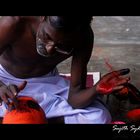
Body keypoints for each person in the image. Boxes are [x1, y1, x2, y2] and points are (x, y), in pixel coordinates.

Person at [0, 16, 130, 124]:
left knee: (99, 117)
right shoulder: (14, 23)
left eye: (62, 46)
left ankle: (33, 118)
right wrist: (1, 87)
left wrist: (96, 89)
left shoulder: (83, 38)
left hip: (48, 83)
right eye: (47, 36)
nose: (49, 48)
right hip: (4, 79)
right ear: (43, 17)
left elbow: (75, 98)